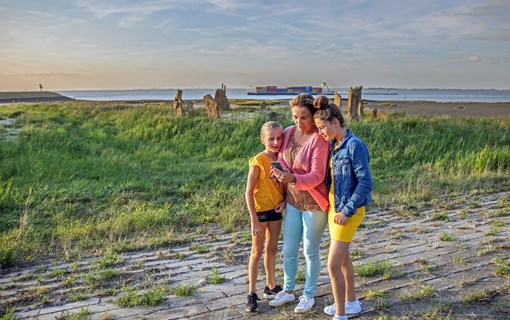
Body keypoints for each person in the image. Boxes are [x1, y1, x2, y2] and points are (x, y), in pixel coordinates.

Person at [313, 96, 373, 320]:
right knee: (344, 259)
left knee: (333, 265)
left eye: (322, 128)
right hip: (334, 209)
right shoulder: (334, 144)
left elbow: (366, 183)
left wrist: (347, 211)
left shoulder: (355, 145)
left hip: (348, 212)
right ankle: (351, 303)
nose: (321, 133)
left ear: (335, 121)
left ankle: (341, 315)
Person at [268, 93, 329, 313]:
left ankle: (309, 295)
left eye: (304, 117)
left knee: (310, 251)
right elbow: (282, 164)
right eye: (295, 116)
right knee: (289, 250)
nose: (298, 122)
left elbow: (317, 176)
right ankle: (288, 290)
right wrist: (284, 194)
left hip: (314, 202)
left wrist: (292, 178)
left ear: (313, 116)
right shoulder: (286, 133)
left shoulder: (319, 139)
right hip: (293, 201)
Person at [245, 121, 287, 312]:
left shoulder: (283, 158)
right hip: (260, 213)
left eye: (279, 138)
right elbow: (248, 192)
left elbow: (286, 185)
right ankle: (252, 293)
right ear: (263, 139)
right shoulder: (258, 161)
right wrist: (254, 219)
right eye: (271, 138)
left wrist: (285, 201)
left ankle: (271, 286)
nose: (276, 142)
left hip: (276, 212)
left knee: (272, 250)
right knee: (257, 251)